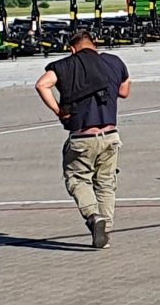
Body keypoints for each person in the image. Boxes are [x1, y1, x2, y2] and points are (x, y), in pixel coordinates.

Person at [34, 28, 131, 249]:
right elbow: (125, 91)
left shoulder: (65, 65)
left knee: (77, 178)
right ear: (94, 45)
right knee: (106, 183)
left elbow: (42, 84)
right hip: (110, 134)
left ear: (72, 49)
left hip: (82, 135)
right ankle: (105, 232)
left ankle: (93, 216)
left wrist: (58, 110)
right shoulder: (114, 62)